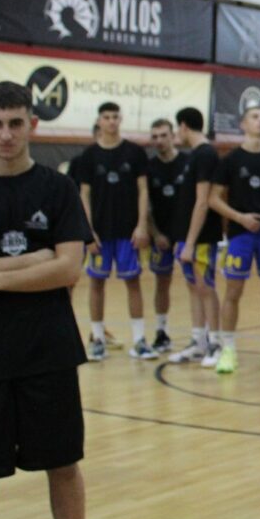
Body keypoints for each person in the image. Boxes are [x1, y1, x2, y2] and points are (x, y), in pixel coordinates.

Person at [0, 81, 104, 519]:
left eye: (15, 123)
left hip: (48, 350)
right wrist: (32, 260)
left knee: (62, 464)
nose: (5, 134)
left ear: (33, 126)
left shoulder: (58, 188)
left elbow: (68, 269)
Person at [208, 105, 260, 373]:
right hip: (240, 233)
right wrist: (240, 217)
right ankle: (228, 349)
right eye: (255, 117)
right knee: (233, 291)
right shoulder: (231, 160)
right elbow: (213, 199)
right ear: (243, 124)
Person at [76, 102, 152, 361]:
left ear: (120, 119)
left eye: (115, 117)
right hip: (100, 233)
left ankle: (139, 340)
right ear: (99, 121)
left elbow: (143, 191)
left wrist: (142, 225)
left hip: (128, 232)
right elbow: (84, 195)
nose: (111, 121)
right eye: (106, 117)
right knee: (96, 283)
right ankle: (98, 339)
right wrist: (88, 231)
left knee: (133, 282)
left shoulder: (135, 152)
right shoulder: (88, 156)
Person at [166, 108, 224, 367]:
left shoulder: (206, 154)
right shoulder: (194, 155)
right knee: (193, 287)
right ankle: (198, 341)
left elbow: (202, 202)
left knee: (206, 287)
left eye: (177, 128)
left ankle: (216, 343)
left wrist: (189, 242)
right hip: (186, 237)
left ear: (184, 126)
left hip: (201, 238)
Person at [145, 119, 188, 354]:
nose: (159, 140)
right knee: (162, 283)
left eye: (163, 135)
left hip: (185, 236)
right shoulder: (149, 167)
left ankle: (201, 335)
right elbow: (146, 206)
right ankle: (161, 332)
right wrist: (155, 234)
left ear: (173, 136)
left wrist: (188, 236)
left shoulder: (187, 163)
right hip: (161, 236)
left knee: (197, 284)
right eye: (155, 137)